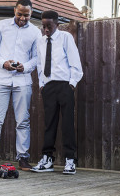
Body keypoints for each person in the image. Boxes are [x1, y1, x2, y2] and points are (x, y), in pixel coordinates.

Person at [0, 0, 42, 171]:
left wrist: (24, 67)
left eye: (26, 15)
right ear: (14, 11)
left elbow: (37, 57)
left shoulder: (35, 32)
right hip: (0, 79)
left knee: (23, 121)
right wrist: (3, 62)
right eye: (20, 14)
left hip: (23, 81)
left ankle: (23, 158)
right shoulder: (1, 26)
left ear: (31, 13)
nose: (23, 18)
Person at [31, 10, 83, 175]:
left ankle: (70, 160)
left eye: (49, 26)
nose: (46, 30)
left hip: (64, 85)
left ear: (57, 25)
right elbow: (40, 64)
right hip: (48, 86)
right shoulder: (40, 41)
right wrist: (42, 84)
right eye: (43, 26)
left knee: (68, 124)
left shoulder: (65, 38)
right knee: (49, 124)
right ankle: (47, 159)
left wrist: (72, 84)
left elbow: (75, 62)